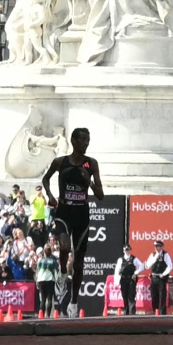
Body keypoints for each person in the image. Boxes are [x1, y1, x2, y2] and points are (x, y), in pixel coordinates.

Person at [40, 127, 104, 318]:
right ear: (74, 141)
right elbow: (45, 179)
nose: (86, 144)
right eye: (83, 140)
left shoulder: (91, 164)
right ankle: (61, 273)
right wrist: (50, 196)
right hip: (64, 211)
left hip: (82, 214)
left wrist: (89, 182)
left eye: (88, 140)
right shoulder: (60, 162)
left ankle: (74, 303)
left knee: (78, 263)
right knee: (65, 246)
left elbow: (101, 195)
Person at [34, 242, 61, 319]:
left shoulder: (40, 261)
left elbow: (37, 272)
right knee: (49, 299)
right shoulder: (53, 261)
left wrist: (37, 282)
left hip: (41, 280)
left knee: (42, 299)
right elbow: (56, 272)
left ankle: (41, 315)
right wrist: (57, 281)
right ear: (50, 252)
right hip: (50, 280)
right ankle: (48, 316)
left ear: (44, 252)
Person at [146, 241, 172, 315]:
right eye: (156, 247)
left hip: (161, 277)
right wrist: (155, 258)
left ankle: (162, 312)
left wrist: (164, 274)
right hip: (154, 277)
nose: (157, 248)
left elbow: (170, 266)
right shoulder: (153, 255)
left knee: (162, 296)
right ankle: (155, 311)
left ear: (161, 247)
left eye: (158, 246)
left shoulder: (165, 255)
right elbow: (148, 265)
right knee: (154, 295)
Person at [116, 247, 138, 315]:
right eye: (126, 250)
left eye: (128, 250)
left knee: (131, 295)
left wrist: (135, 273)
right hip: (123, 279)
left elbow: (141, 266)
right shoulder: (120, 260)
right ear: (123, 251)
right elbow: (117, 270)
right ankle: (126, 311)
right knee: (124, 295)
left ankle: (132, 312)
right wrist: (116, 281)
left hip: (131, 278)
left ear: (130, 250)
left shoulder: (134, 259)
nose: (127, 251)